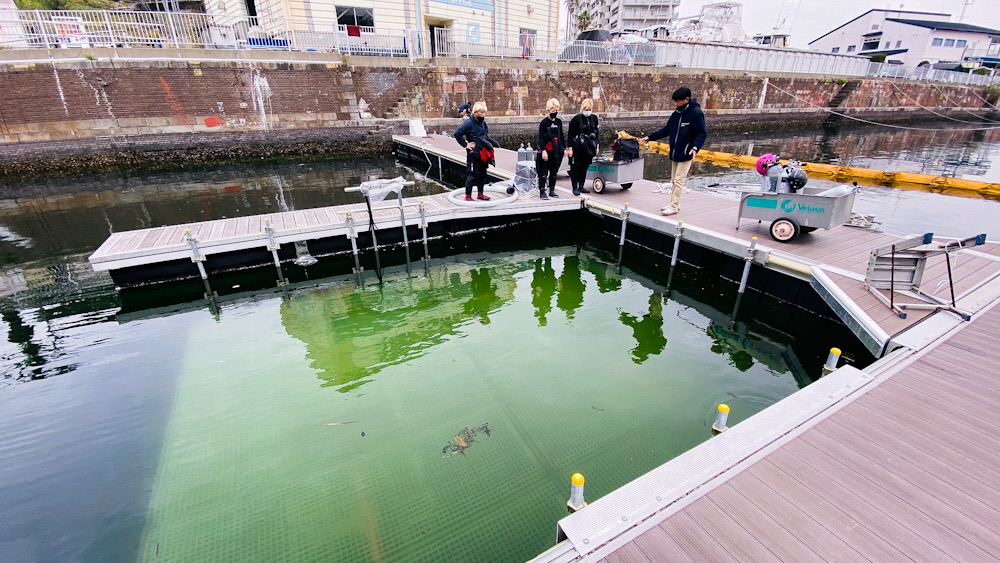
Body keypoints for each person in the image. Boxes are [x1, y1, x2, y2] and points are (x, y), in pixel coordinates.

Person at [640, 87, 707, 216]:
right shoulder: (676, 113)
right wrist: (650, 137)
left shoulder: (696, 113)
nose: (676, 104)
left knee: (678, 180)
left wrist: (695, 148)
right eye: (675, 101)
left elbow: (701, 133)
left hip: (686, 152)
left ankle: (674, 206)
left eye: (678, 101)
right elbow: (666, 129)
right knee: (673, 179)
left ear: (686, 100)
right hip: (675, 152)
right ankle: (674, 203)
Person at [454, 102, 500, 202]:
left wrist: (493, 144)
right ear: (476, 112)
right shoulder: (469, 123)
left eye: (484, 112)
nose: (484, 114)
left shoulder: (483, 123)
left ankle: (480, 194)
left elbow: (485, 136)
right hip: (473, 154)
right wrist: (466, 144)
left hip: (482, 153)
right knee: (472, 175)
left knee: (482, 174)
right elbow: (457, 133)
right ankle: (468, 196)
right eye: (482, 112)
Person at [567, 99, 599, 196]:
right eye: (586, 109)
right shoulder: (576, 119)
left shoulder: (594, 118)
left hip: (588, 147)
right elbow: (570, 134)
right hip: (577, 147)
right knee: (575, 167)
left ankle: (581, 185)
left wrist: (597, 146)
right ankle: (575, 187)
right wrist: (570, 148)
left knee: (584, 167)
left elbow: (597, 134)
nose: (588, 111)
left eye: (589, 109)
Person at [536, 98, 565, 200]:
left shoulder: (559, 122)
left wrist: (564, 149)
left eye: (556, 110)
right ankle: (542, 191)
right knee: (543, 173)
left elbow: (561, 136)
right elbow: (541, 138)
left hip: (556, 151)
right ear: (548, 111)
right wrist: (543, 150)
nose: (555, 113)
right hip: (547, 151)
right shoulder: (544, 123)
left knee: (554, 172)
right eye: (553, 111)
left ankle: (552, 190)